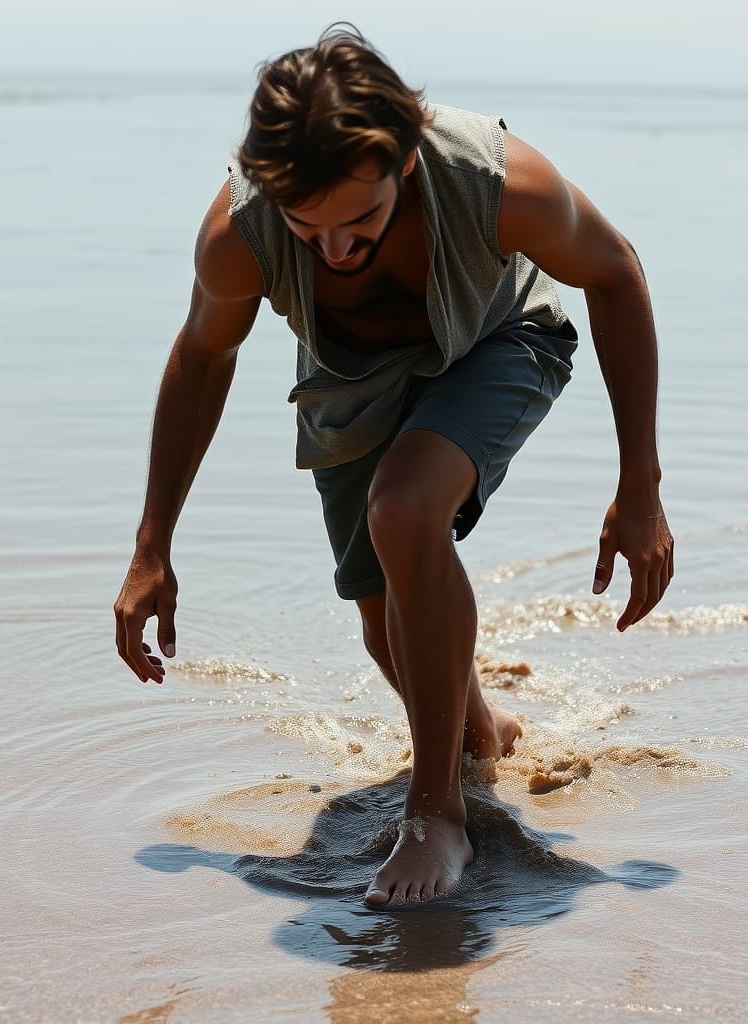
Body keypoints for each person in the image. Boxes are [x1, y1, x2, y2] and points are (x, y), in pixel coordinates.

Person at [113, 24, 674, 910]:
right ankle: (482, 741)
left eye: (360, 220)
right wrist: (153, 544)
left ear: (406, 159)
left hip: (499, 337)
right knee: (386, 629)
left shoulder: (497, 183)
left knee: (404, 510)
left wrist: (639, 484)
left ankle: (436, 812)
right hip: (349, 380)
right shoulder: (239, 234)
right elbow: (203, 355)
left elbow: (615, 271)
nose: (335, 249)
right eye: (308, 227)